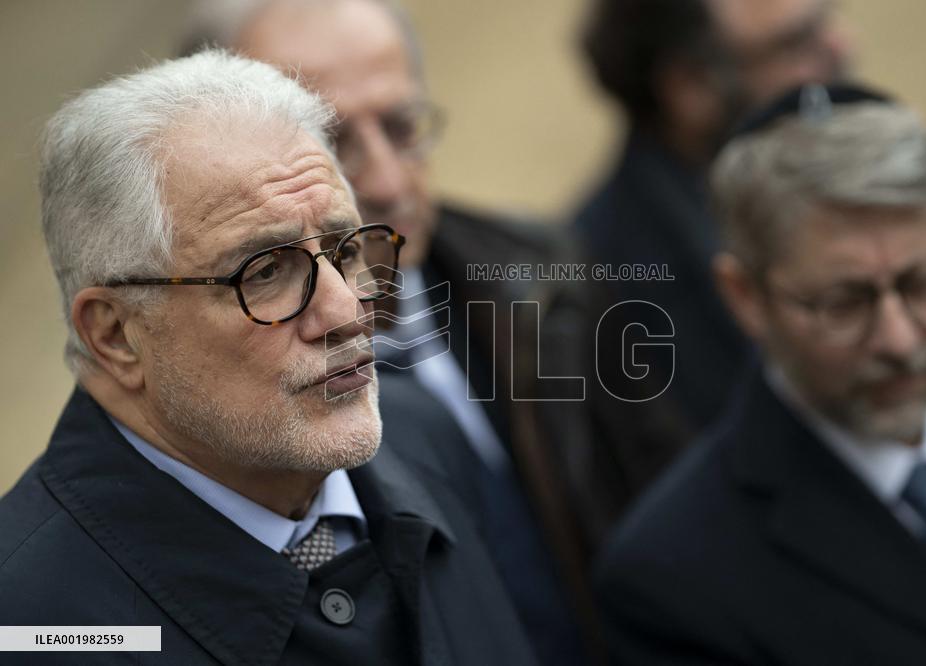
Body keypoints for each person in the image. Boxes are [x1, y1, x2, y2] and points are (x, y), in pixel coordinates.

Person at [0, 50, 537, 665]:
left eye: (346, 249)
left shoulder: (421, 436)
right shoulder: (30, 628)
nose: (344, 313)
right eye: (265, 271)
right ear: (117, 336)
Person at [182, 2, 593, 662]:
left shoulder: (547, 273)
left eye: (401, 127)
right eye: (333, 143)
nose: (385, 180)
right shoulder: (214, 421)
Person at [595, 85, 926, 665]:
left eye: (922, 283)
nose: (899, 339)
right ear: (745, 297)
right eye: (843, 302)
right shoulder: (675, 578)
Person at [570, 0, 853, 529]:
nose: (840, 47)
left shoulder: (861, 165)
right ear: (690, 88)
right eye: (797, 44)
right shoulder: (605, 291)